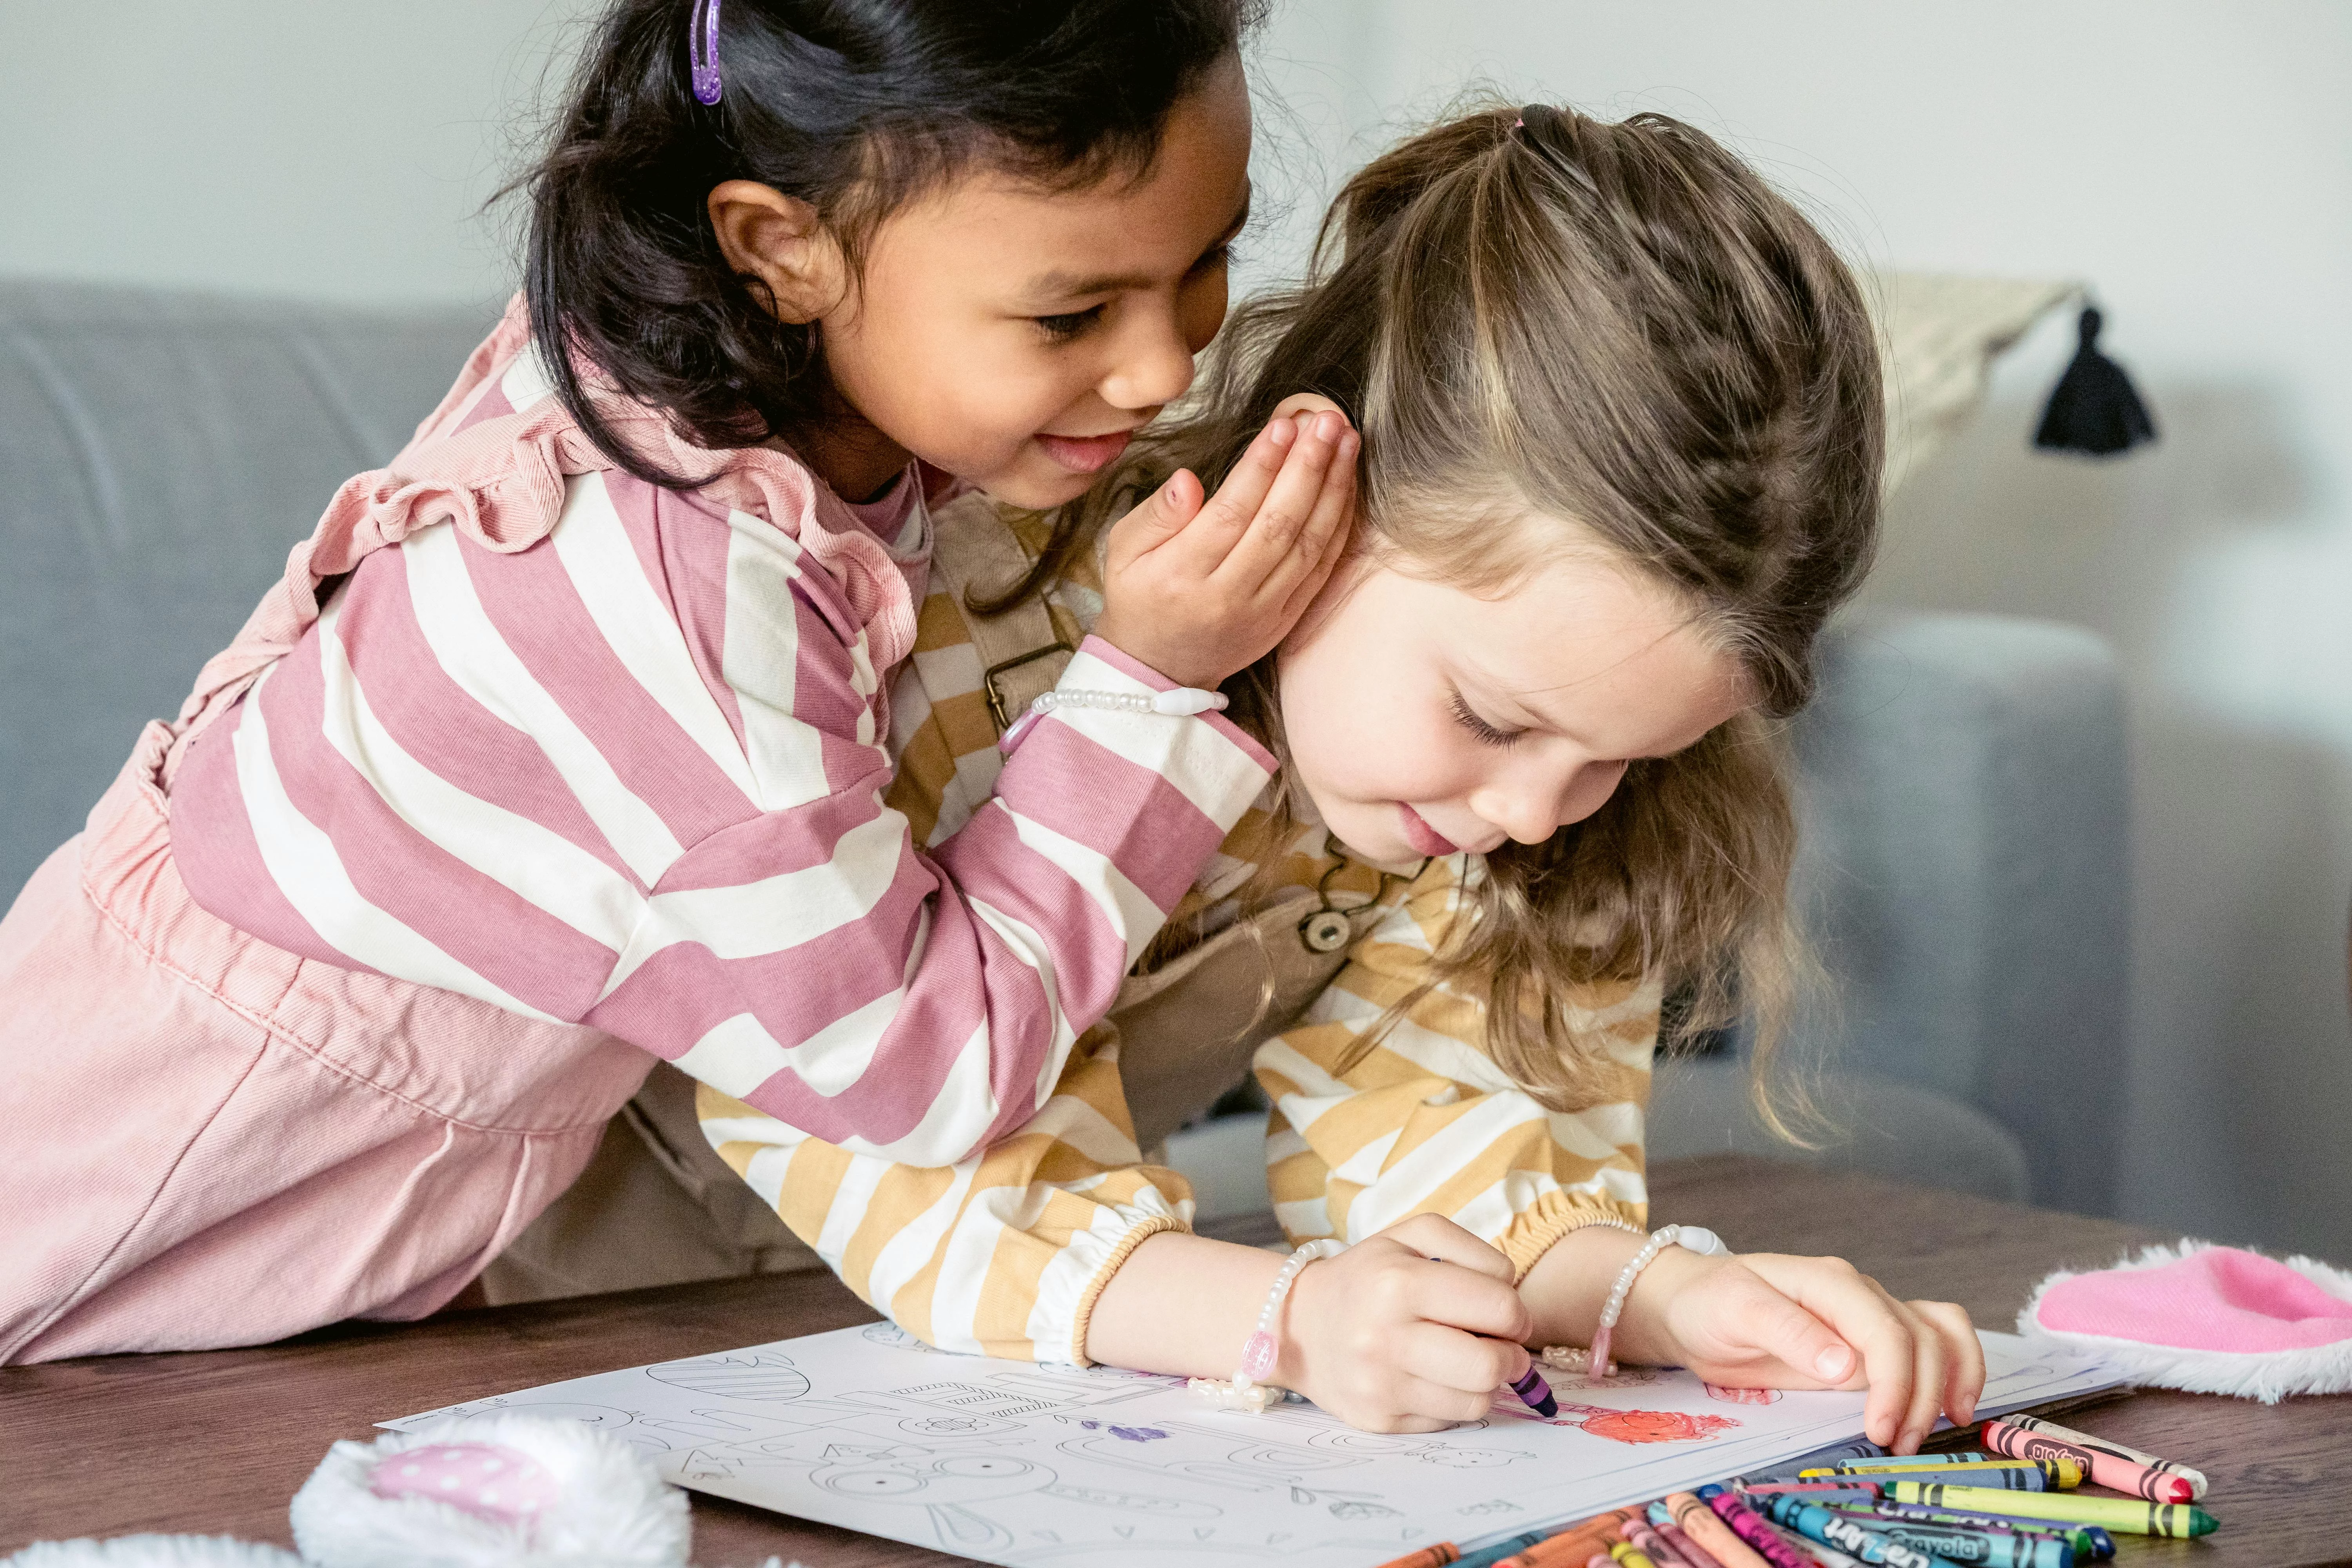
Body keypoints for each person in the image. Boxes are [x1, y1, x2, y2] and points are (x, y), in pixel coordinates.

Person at [0, 0, 1364, 1363]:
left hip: (335, 1203)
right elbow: (923, 1074)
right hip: (148, 1187)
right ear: (780, 250)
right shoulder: (670, 592)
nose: (1165, 366)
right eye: (1069, 314)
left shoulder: (743, 377)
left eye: (1209, 258)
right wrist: (1151, 683)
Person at [691, 103, 1989, 1450]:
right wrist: (1292, 1322)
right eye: (1491, 717)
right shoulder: (951, 629)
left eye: (1618, 757)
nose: (1535, 811)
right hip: (612, 1303)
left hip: (929, 1378)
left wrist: (1662, 1298)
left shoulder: (1475, 809)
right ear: (1324, 488)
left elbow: (1442, 1128)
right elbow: (892, 1123)